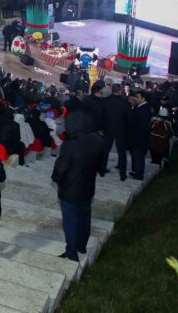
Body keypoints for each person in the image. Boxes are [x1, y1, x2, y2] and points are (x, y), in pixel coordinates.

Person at [51, 112, 104, 262]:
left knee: (70, 220)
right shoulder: (97, 140)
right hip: (88, 185)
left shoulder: (70, 144)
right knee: (85, 216)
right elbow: (101, 163)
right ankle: (81, 245)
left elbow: (61, 168)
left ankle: (71, 251)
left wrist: (56, 178)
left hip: (70, 189)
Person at [102, 83, 130, 180]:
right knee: (121, 152)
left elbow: (102, 115)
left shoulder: (105, 101)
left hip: (108, 128)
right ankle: (122, 174)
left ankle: (102, 170)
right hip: (120, 129)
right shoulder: (124, 102)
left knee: (105, 150)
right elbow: (129, 117)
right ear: (120, 90)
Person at [127, 90, 152, 180]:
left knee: (139, 156)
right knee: (135, 155)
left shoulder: (145, 108)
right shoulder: (138, 107)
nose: (135, 99)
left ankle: (139, 174)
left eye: (137, 97)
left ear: (143, 98)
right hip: (135, 137)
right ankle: (135, 171)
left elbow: (142, 124)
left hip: (139, 138)